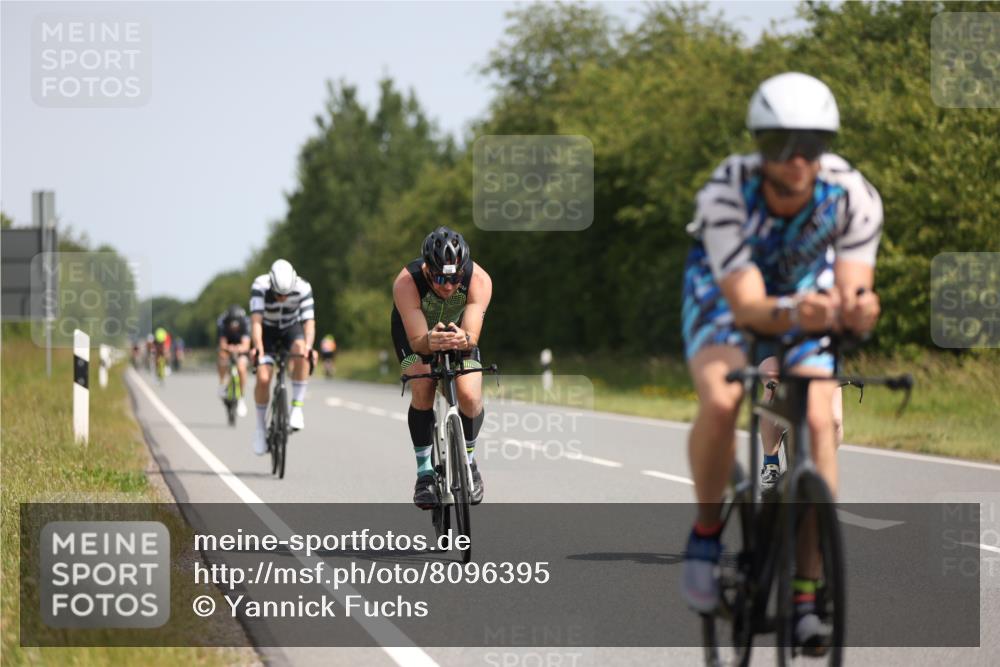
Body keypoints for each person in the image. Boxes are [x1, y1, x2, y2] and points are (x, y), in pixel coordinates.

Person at [679, 73, 883, 653]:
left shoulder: (854, 195)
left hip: (802, 287)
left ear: (827, 147)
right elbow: (747, 305)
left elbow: (854, 290)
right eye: (779, 146)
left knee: (822, 420)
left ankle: (804, 590)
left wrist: (858, 310)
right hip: (724, 291)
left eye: (811, 146)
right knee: (721, 400)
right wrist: (805, 311)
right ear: (758, 146)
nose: (796, 161)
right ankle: (706, 534)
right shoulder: (725, 193)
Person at [391, 226, 492, 508]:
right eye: (439, 278)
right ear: (426, 269)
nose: (447, 286)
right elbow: (417, 342)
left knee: (469, 396)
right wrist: (429, 342)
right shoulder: (406, 282)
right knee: (423, 382)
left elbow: (472, 334)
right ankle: (424, 474)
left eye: (454, 278)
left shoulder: (479, 280)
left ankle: (468, 462)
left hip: (458, 334)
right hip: (415, 337)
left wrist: (465, 338)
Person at [249, 259, 316, 455]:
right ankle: (260, 429)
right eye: (278, 294)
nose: (282, 298)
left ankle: (297, 407)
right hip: (267, 330)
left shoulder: (303, 287)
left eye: (286, 295)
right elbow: (256, 322)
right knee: (263, 378)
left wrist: (309, 347)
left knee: (302, 350)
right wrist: (259, 348)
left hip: (290, 328)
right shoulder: (260, 285)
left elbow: (309, 322)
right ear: (271, 284)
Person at [217, 305, 252, 417]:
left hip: (241, 347)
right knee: (222, 358)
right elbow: (222, 343)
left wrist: (238, 349)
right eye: (232, 325)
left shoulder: (246, 324)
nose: (234, 327)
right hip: (228, 346)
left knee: (241, 368)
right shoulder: (223, 323)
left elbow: (246, 345)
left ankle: (241, 397)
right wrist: (228, 349)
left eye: (236, 325)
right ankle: (222, 384)